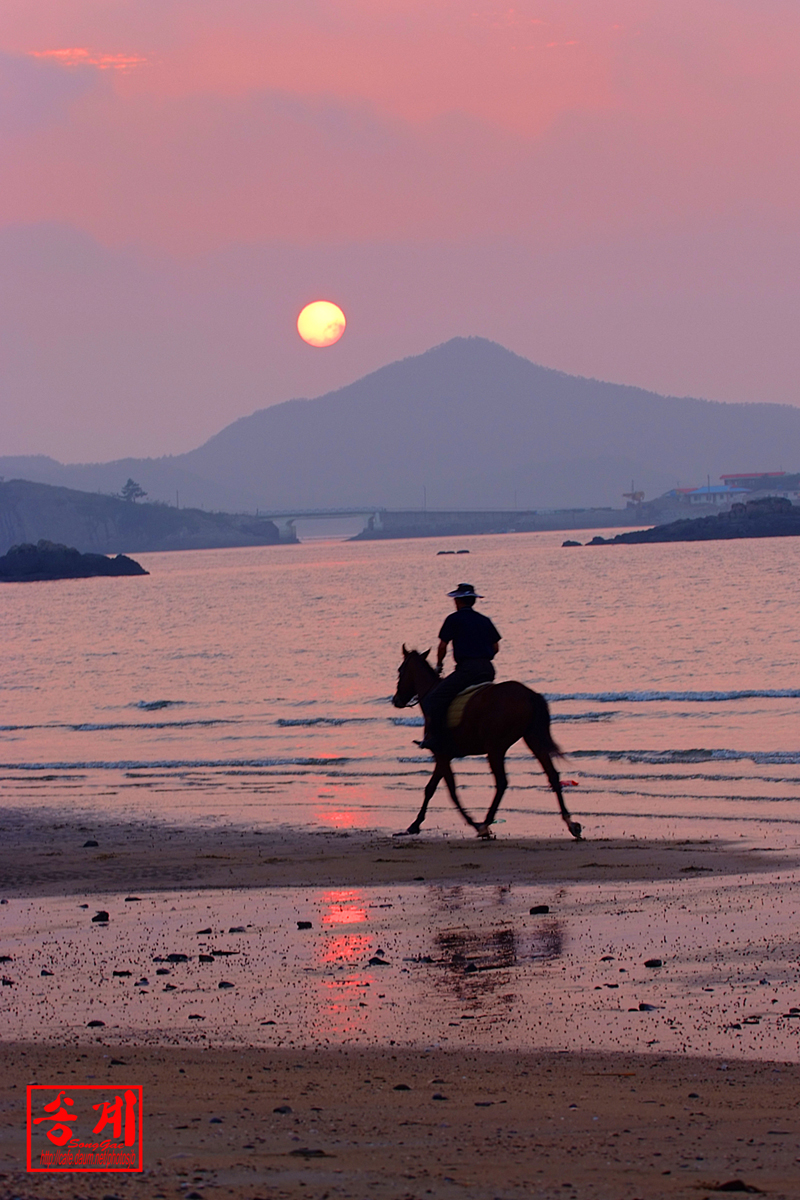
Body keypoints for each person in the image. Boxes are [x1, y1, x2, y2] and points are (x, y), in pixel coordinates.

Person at [418, 583, 501, 754]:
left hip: (467, 669)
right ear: (473, 601)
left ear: (458, 601)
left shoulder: (453, 619)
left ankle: (438, 738)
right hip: (487, 669)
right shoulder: (484, 620)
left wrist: (439, 665)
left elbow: (442, 646)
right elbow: (495, 647)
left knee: (435, 699)